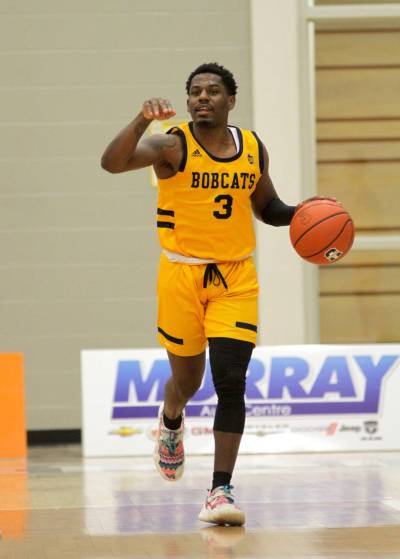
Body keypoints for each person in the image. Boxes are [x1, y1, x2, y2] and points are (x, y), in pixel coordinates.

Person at [101, 62, 327, 526]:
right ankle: (170, 418)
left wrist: (307, 213)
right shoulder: (171, 146)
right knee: (187, 380)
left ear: (230, 101)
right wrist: (143, 119)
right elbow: (112, 162)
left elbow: (267, 207)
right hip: (181, 276)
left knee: (230, 380)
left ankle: (219, 491)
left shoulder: (251, 148)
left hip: (235, 277)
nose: (203, 97)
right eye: (195, 92)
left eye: (213, 91)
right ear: (188, 103)